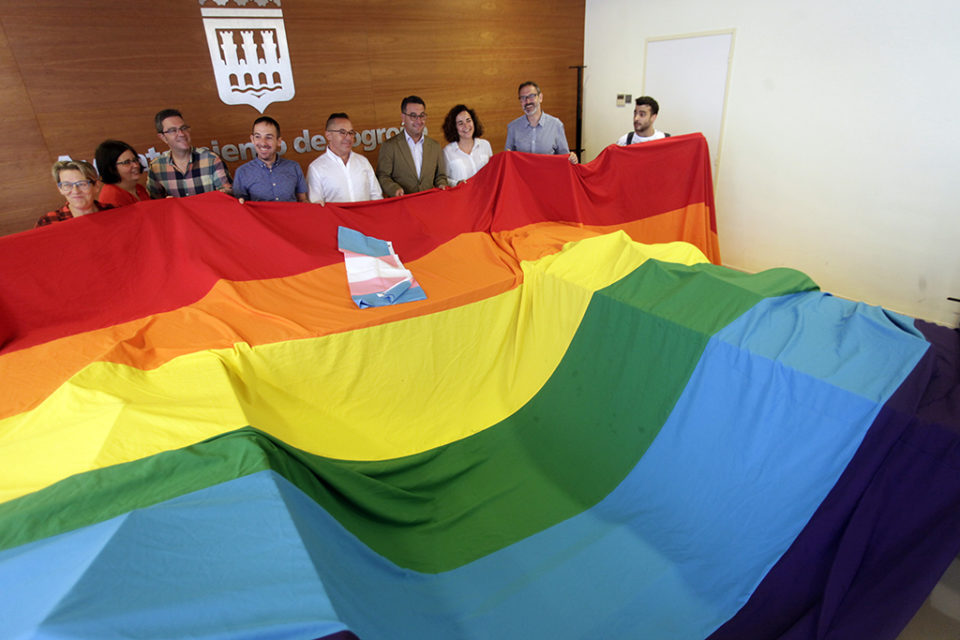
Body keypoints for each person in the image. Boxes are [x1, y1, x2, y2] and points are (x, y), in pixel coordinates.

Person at [147, 108, 231, 198]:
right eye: (173, 130)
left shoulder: (211, 159)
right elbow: (154, 203)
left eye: (183, 128)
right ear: (163, 137)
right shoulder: (156, 166)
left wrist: (224, 192)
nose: (181, 134)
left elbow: (228, 195)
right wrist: (166, 203)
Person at [376, 96, 449, 197]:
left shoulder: (435, 146)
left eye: (422, 116)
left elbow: (440, 176)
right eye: (413, 116)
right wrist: (395, 189)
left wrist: (442, 185)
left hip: (429, 204)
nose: (418, 121)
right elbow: (382, 176)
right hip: (402, 206)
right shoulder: (389, 146)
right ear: (403, 117)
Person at [307, 113, 382, 204]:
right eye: (342, 132)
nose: (348, 137)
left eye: (351, 133)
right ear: (328, 135)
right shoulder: (316, 168)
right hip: (335, 218)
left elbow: (377, 196)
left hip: (365, 217)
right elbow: (316, 206)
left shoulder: (363, 162)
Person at [232, 116, 308, 203]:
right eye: (258, 137)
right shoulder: (242, 172)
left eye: (268, 137)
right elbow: (240, 208)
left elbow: (303, 201)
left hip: (292, 216)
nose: (263, 143)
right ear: (252, 139)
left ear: (279, 141)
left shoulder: (294, 167)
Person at [505, 81, 578, 164]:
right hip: (521, 176)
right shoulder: (513, 127)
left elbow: (565, 158)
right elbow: (508, 159)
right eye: (523, 98)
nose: (527, 101)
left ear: (540, 97)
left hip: (549, 175)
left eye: (531, 96)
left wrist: (572, 158)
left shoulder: (556, 125)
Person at [36, 160, 114, 227]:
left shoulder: (113, 212)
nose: (75, 191)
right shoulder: (48, 222)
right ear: (60, 189)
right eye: (67, 185)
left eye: (82, 184)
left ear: (96, 186)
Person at [442, 104, 493, 186]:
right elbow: (443, 179)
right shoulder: (447, 152)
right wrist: (457, 183)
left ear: (474, 122)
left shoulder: (485, 145)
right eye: (460, 123)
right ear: (454, 127)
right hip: (461, 196)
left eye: (468, 120)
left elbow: (493, 171)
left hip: (486, 194)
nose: (466, 126)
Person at [95, 140, 150, 208]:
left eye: (135, 160)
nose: (136, 165)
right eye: (127, 162)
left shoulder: (139, 188)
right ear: (111, 168)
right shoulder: (111, 197)